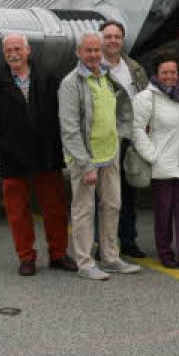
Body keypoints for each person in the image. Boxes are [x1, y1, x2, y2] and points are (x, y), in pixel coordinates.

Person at [0, 33, 75, 276]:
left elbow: (62, 113)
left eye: (17, 49)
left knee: (55, 208)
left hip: (46, 154)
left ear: (28, 50)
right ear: (4, 55)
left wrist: (58, 143)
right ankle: (26, 257)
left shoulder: (48, 78)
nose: (13, 54)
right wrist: (3, 146)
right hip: (14, 157)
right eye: (8, 50)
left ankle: (58, 253)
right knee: (17, 211)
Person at [58, 32, 141, 280]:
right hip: (86, 159)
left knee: (113, 205)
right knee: (84, 210)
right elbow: (69, 128)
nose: (94, 55)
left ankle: (110, 258)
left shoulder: (107, 77)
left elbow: (123, 108)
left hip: (110, 154)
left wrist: (121, 135)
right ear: (79, 53)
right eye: (88, 51)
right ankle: (85, 263)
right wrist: (85, 165)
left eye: (97, 50)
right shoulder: (71, 83)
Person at [131, 53, 179, 270]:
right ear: (157, 74)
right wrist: (153, 156)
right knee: (164, 211)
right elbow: (136, 130)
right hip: (162, 165)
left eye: (173, 72)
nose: (169, 76)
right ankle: (165, 252)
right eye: (165, 72)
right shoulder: (146, 98)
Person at [101, 20, 150, 259]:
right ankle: (103, 245)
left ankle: (129, 241)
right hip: (106, 139)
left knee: (129, 194)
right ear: (102, 40)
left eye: (116, 36)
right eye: (108, 36)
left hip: (130, 139)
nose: (112, 40)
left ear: (122, 40)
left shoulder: (135, 68)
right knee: (106, 197)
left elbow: (146, 97)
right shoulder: (93, 68)